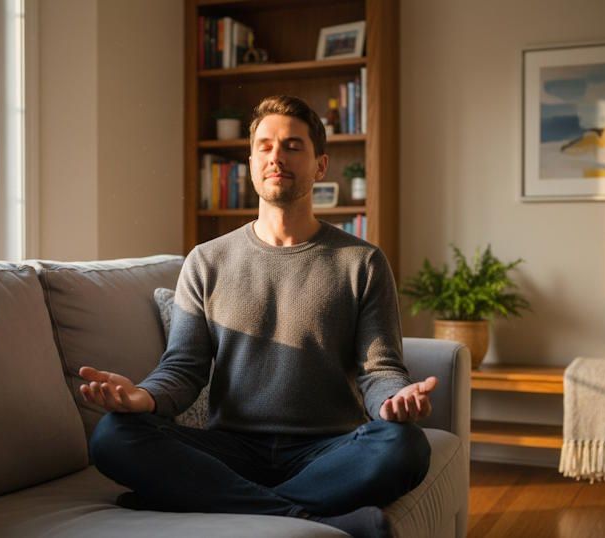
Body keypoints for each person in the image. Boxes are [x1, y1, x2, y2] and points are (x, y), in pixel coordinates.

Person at [79, 95, 438, 538]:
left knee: (405, 446)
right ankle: (309, 518)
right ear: (250, 162)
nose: (276, 157)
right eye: (265, 146)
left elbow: (379, 369)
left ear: (320, 165)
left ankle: (212, 500)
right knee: (114, 437)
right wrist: (144, 398)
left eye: (292, 146)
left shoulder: (361, 261)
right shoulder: (206, 261)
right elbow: (184, 368)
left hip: (327, 449)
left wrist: (393, 400)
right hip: (230, 446)